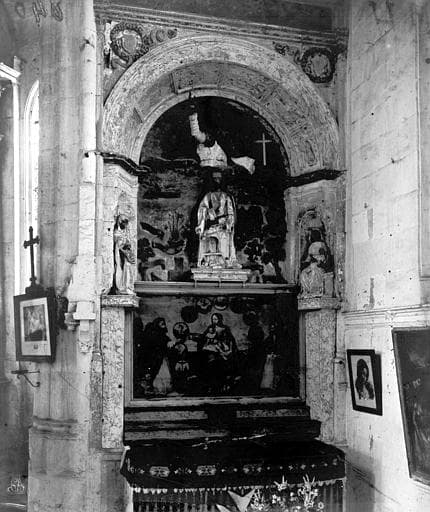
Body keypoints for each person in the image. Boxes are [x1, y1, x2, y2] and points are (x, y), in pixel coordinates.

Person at [195, 171, 239, 268]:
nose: (217, 181)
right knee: (209, 242)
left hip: (223, 227)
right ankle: (209, 261)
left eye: (219, 179)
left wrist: (227, 223)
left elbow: (231, 214)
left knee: (224, 243)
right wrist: (207, 217)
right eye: (215, 179)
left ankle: (225, 262)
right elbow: (201, 211)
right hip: (210, 227)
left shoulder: (227, 197)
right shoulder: (207, 197)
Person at [113, 213, 136, 294]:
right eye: (124, 222)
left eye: (126, 223)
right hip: (121, 255)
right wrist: (125, 251)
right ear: (120, 222)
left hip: (126, 254)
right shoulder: (117, 233)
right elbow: (119, 245)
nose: (125, 225)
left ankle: (127, 286)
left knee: (128, 268)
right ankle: (122, 287)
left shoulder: (125, 232)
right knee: (122, 268)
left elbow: (128, 243)